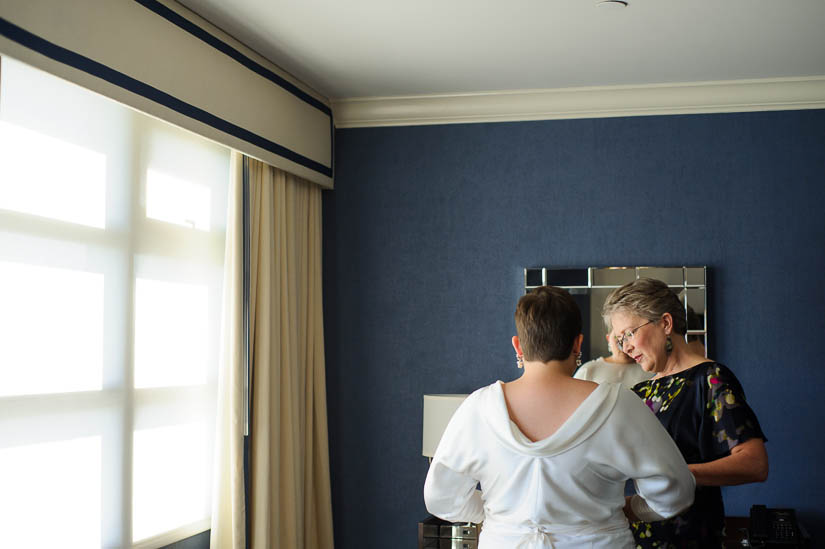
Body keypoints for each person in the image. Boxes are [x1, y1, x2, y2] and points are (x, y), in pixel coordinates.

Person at [424, 286, 695, 548]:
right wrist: (634, 508)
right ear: (578, 343)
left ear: (518, 346)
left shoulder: (478, 408)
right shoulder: (620, 405)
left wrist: (499, 515)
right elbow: (675, 492)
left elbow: (441, 498)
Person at [603, 278, 768, 548]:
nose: (625, 347)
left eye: (630, 333)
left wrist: (679, 474)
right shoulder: (640, 392)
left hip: (691, 538)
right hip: (637, 538)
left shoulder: (711, 379)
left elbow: (754, 464)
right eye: (620, 339)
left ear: (665, 324)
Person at [573, 325, 653, 388]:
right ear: (608, 339)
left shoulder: (649, 370)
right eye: (617, 337)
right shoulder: (589, 370)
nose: (623, 344)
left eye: (629, 336)